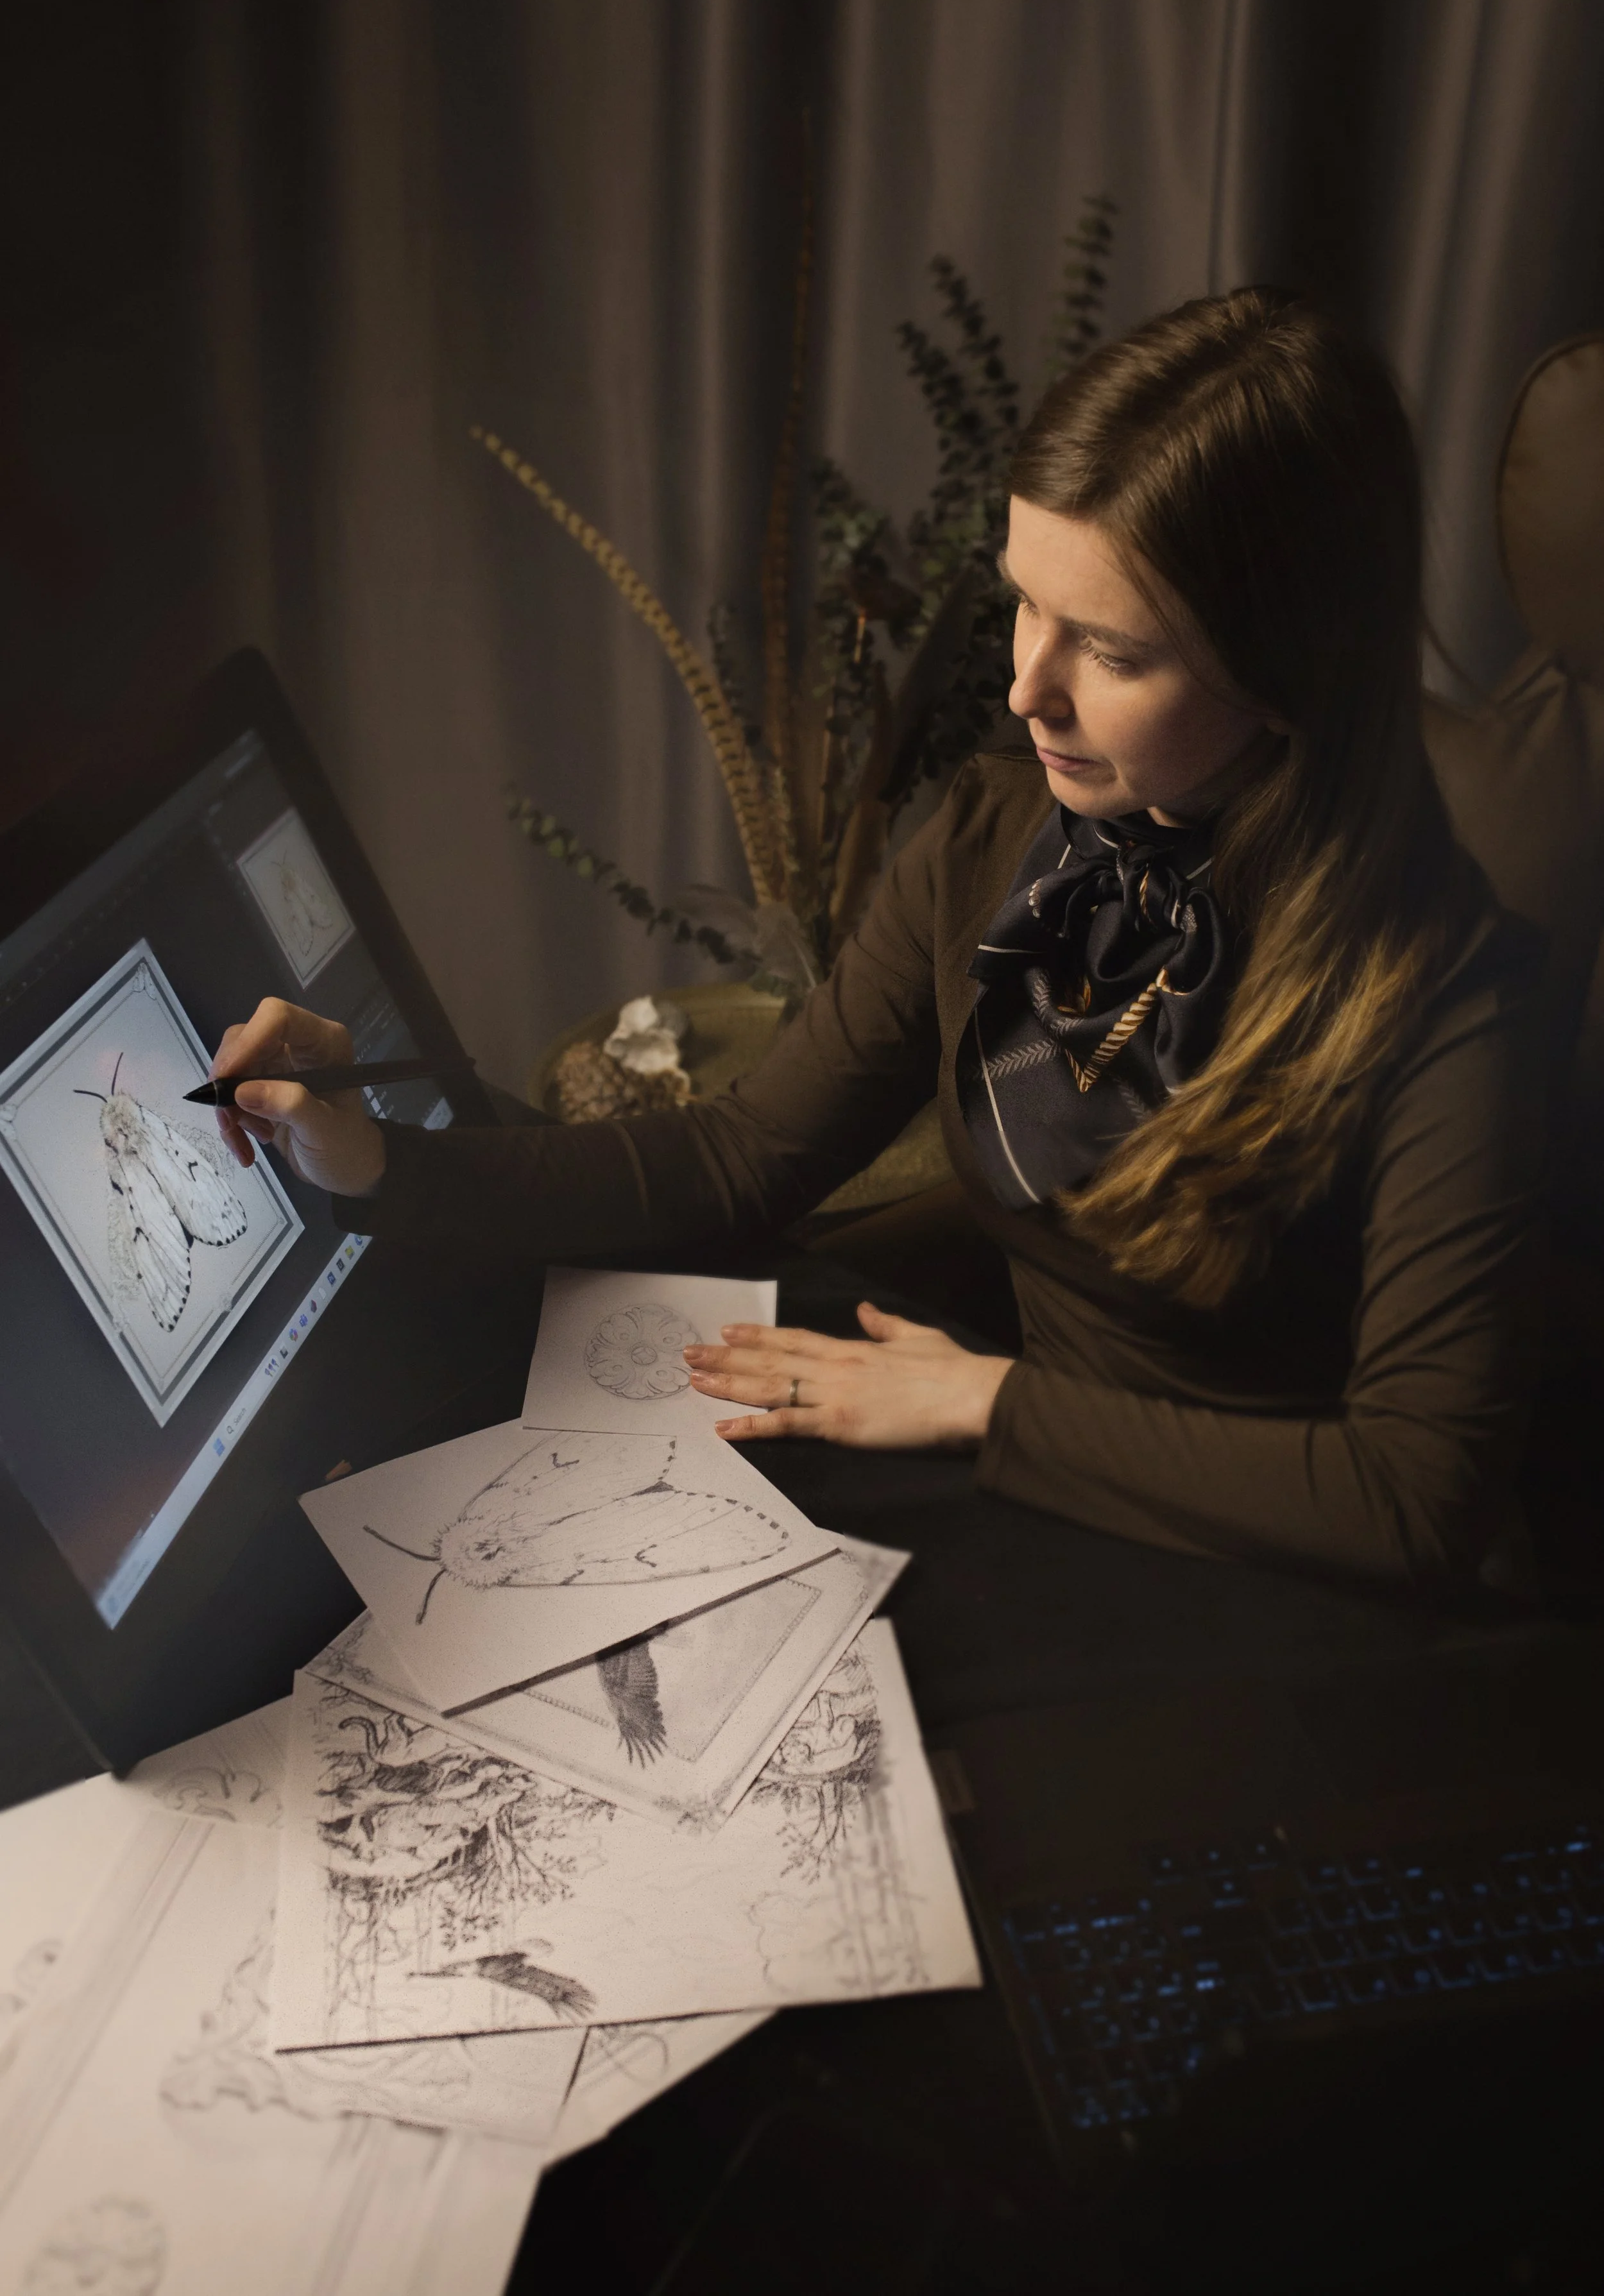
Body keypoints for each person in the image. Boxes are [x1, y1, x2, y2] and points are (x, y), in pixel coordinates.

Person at [211, 288, 1542, 1592]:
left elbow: (1413, 1499)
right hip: (1035, 1482)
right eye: (1025, 602)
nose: (1028, 686)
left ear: (1287, 668)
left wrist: (979, 1403)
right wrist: (373, 1162)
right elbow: (741, 1157)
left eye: (1114, 653)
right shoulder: (989, 837)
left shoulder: (1444, 996)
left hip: (1273, 1582)